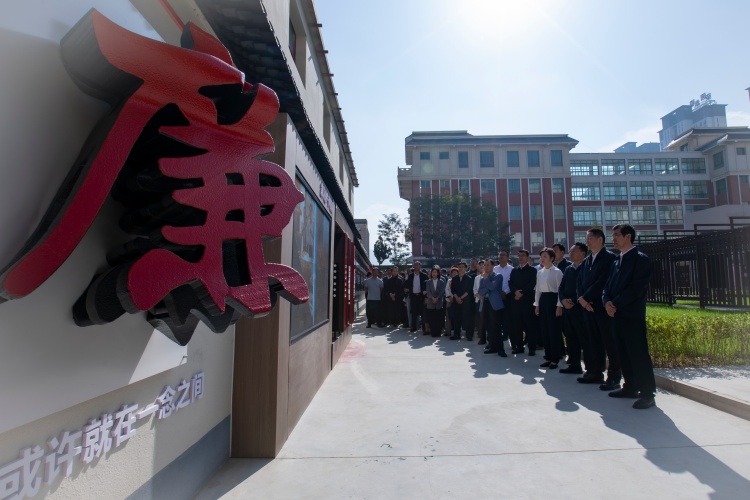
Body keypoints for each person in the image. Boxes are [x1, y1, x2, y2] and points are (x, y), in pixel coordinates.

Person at [603, 224, 656, 409]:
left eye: (617, 235)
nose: (613, 239)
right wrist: (606, 301)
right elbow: (607, 287)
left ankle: (647, 394)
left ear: (628, 237)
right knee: (623, 353)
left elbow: (636, 288)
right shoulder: (617, 261)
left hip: (631, 315)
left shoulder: (640, 259)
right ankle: (630, 387)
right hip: (616, 315)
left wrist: (615, 304)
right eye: (613, 235)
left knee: (638, 354)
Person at [576, 228, 620, 391]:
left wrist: (586, 297)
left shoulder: (610, 258)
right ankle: (596, 372)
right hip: (588, 307)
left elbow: (602, 282)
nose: (587, 242)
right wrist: (581, 299)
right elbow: (579, 281)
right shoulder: (587, 260)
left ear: (600, 239)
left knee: (609, 342)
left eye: (590, 238)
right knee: (593, 340)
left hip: (601, 306)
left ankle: (614, 377)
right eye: (587, 238)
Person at [558, 242, 588, 374]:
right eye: (570, 251)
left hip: (581, 308)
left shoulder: (586, 267)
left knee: (584, 338)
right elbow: (561, 287)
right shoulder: (569, 269)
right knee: (570, 338)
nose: (571, 254)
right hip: (567, 309)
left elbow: (585, 287)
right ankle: (574, 365)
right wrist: (563, 299)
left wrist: (574, 300)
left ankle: (590, 368)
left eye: (574, 251)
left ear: (583, 253)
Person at [535, 248, 564, 368]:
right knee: (545, 330)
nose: (542, 259)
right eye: (541, 257)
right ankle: (548, 357)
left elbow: (560, 290)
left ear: (551, 258)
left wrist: (559, 306)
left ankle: (555, 359)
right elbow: (538, 289)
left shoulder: (557, 272)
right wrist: (537, 305)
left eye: (545, 256)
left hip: (553, 300)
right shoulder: (539, 272)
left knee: (553, 331)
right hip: (543, 300)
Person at [508, 250, 537, 355]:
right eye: (519, 256)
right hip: (516, 301)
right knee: (517, 325)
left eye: (523, 255)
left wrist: (522, 292)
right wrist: (515, 292)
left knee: (530, 325)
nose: (520, 257)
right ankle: (519, 347)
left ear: (528, 257)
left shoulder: (532, 270)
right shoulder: (514, 270)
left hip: (528, 301)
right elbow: (510, 283)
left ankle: (532, 347)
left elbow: (532, 283)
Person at [477, 259, 507, 356]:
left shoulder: (498, 276)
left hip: (495, 304)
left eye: (488, 265)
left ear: (493, 266)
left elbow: (493, 288)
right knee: (489, 326)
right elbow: (480, 292)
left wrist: (487, 280)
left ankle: (500, 349)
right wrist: (488, 285)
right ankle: (492, 346)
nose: (485, 267)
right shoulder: (482, 279)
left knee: (496, 327)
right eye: (484, 265)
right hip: (486, 303)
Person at [493, 250, 514, 348]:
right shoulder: (494, 269)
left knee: (507, 317)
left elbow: (512, 283)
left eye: (503, 255)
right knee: (496, 317)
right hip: (496, 296)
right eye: (500, 255)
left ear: (508, 257)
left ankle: (506, 335)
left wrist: (505, 292)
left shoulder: (512, 269)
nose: (501, 257)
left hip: (507, 296)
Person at [450, 262, 474, 340]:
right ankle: (456, 334)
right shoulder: (454, 278)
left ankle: (469, 335)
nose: (461, 268)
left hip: (466, 301)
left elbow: (469, 290)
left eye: (462, 267)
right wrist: (457, 298)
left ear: (466, 268)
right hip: (456, 301)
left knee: (467, 318)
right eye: (459, 267)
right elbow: (452, 290)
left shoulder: (469, 278)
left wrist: (461, 298)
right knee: (457, 318)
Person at [404, 261, 428, 333]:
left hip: (421, 296)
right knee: (413, 313)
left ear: (420, 266)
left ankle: (424, 328)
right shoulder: (411, 276)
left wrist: (425, 297)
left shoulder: (424, 275)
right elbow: (407, 285)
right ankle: (413, 327)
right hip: (413, 296)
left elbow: (426, 286)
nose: (416, 266)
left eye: (417, 265)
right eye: (415, 265)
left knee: (423, 313)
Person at [425, 266, 446, 338]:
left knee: (438, 318)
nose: (434, 274)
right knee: (432, 318)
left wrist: (437, 298)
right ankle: (433, 332)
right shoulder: (428, 282)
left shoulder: (441, 281)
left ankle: (438, 332)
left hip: (439, 302)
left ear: (438, 273)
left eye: (435, 272)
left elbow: (442, 291)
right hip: (431, 302)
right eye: (433, 272)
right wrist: (432, 298)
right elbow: (428, 291)